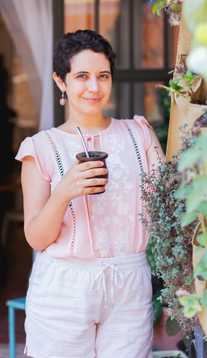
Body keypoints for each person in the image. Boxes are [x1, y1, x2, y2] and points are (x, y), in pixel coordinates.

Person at [16, 30, 165, 358]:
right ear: (61, 81)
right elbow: (37, 238)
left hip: (130, 283)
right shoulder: (40, 148)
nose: (94, 87)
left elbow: (169, 204)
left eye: (103, 76)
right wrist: (64, 192)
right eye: (82, 76)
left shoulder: (139, 134)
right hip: (63, 288)